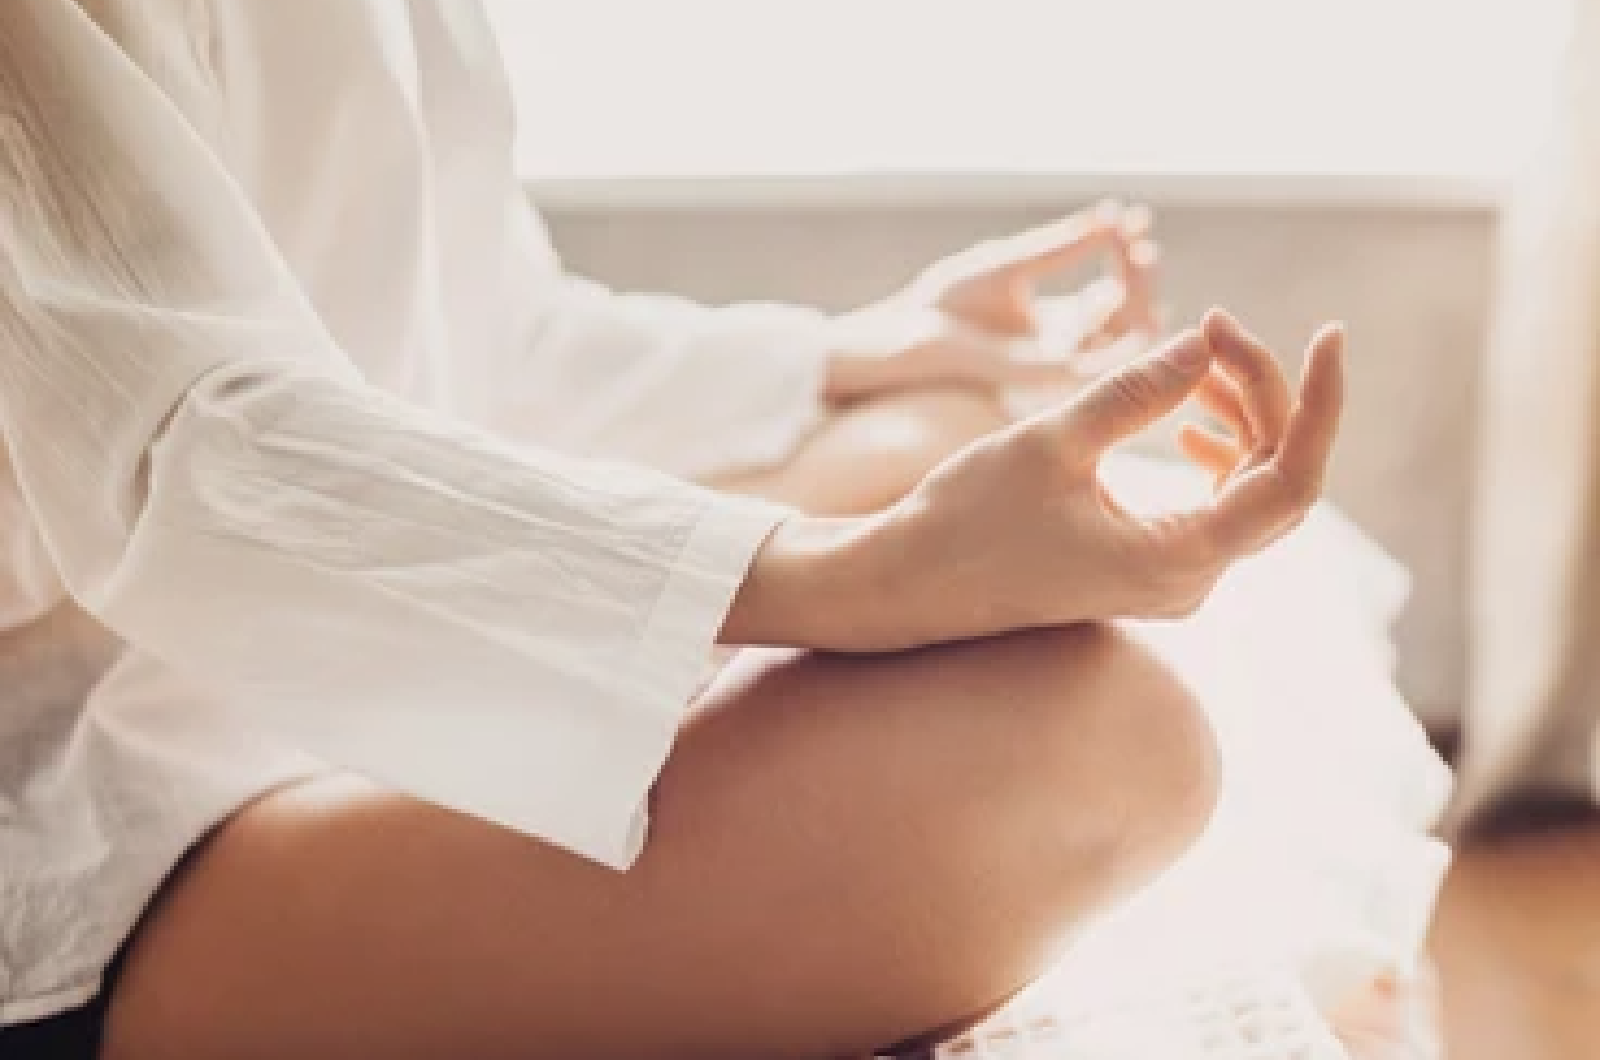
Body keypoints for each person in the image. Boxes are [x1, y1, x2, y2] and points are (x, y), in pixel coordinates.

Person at [0, 1, 1344, 1058]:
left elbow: (486, 334)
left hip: (344, 648)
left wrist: (850, 354)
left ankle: (648, 688)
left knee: (935, 418)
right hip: (121, 820)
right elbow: (182, 450)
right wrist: (842, 578)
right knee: (1099, 746)